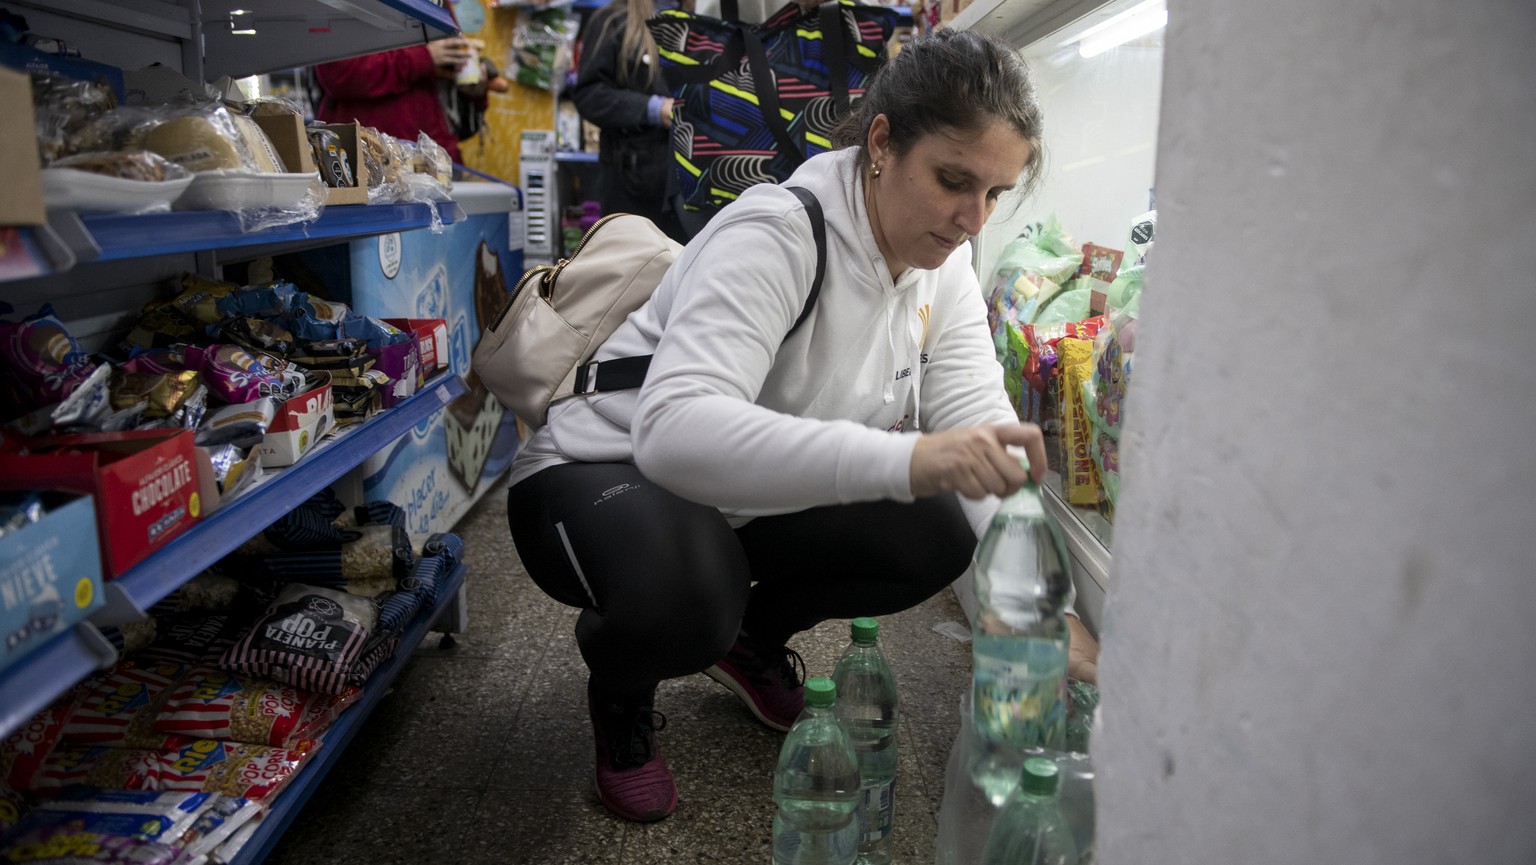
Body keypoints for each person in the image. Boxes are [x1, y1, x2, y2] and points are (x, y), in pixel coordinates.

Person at [504, 28, 1101, 824]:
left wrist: (1042, 608)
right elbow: (673, 433)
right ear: (882, 144)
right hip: (598, 470)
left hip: (728, 493)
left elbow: (977, 419)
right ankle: (622, 689)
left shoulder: (942, 260)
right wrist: (908, 460)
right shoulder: (780, 232)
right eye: (954, 180)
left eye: (996, 193)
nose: (971, 217)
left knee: (940, 532)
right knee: (688, 588)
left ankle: (748, 640)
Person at [570, 0, 689, 243]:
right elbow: (590, 95)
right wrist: (653, 109)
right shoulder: (613, 21)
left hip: (688, 185)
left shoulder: (701, 23)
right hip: (633, 184)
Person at [314, 35, 483, 164]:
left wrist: (473, 88)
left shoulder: (440, 5)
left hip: (434, 158)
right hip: (370, 160)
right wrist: (423, 58)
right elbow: (339, 73)